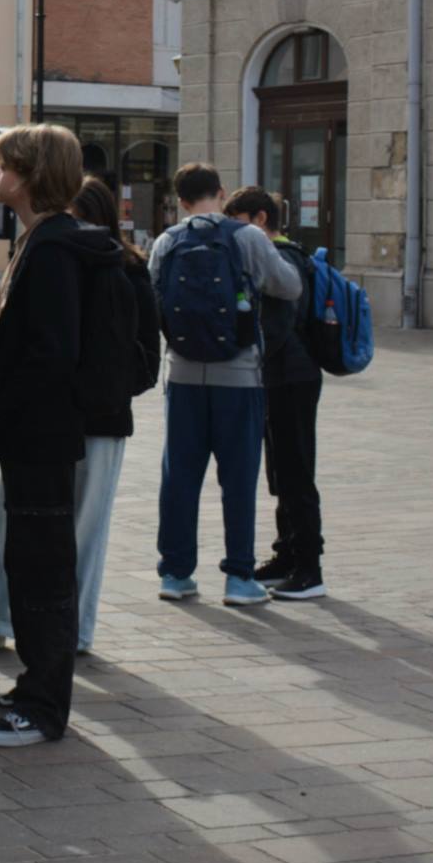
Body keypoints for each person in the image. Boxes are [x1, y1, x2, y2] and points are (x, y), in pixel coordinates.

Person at [0, 126, 125, 748]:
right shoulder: (46, 240)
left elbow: (50, 353)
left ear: (30, 176)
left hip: (40, 437)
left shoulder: (53, 249)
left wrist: (6, 406)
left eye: (4, 167)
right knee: (30, 564)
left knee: (42, 571)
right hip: (39, 435)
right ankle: (33, 686)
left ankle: (44, 706)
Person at [0, 176, 160, 656]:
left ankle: (72, 630)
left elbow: (146, 359)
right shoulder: (39, 256)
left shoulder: (125, 269)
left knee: (82, 528)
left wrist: (100, 387)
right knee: (13, 520)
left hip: (98, 421)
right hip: (45, 422)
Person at [147, 163, 302, 607]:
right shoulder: (247, 236)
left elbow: (153, 296)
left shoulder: (167, 241)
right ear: (221, 192)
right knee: (237, 479)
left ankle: (175, 573)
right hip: (239, 375)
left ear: (180, 201)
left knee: (179, 476)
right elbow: (289, 287)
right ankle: (238, 578)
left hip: (182, 374)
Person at [225, 186, 327, 601]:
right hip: (281, 378)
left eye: (238, 222)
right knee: (281, 471)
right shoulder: (281, 255)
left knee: (296, 471)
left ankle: (309, 568)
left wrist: (243, 355)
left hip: (293, 378)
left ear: (260, 219)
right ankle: (286, 555)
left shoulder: (283, 258)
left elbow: (276, 329)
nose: (235, 232)